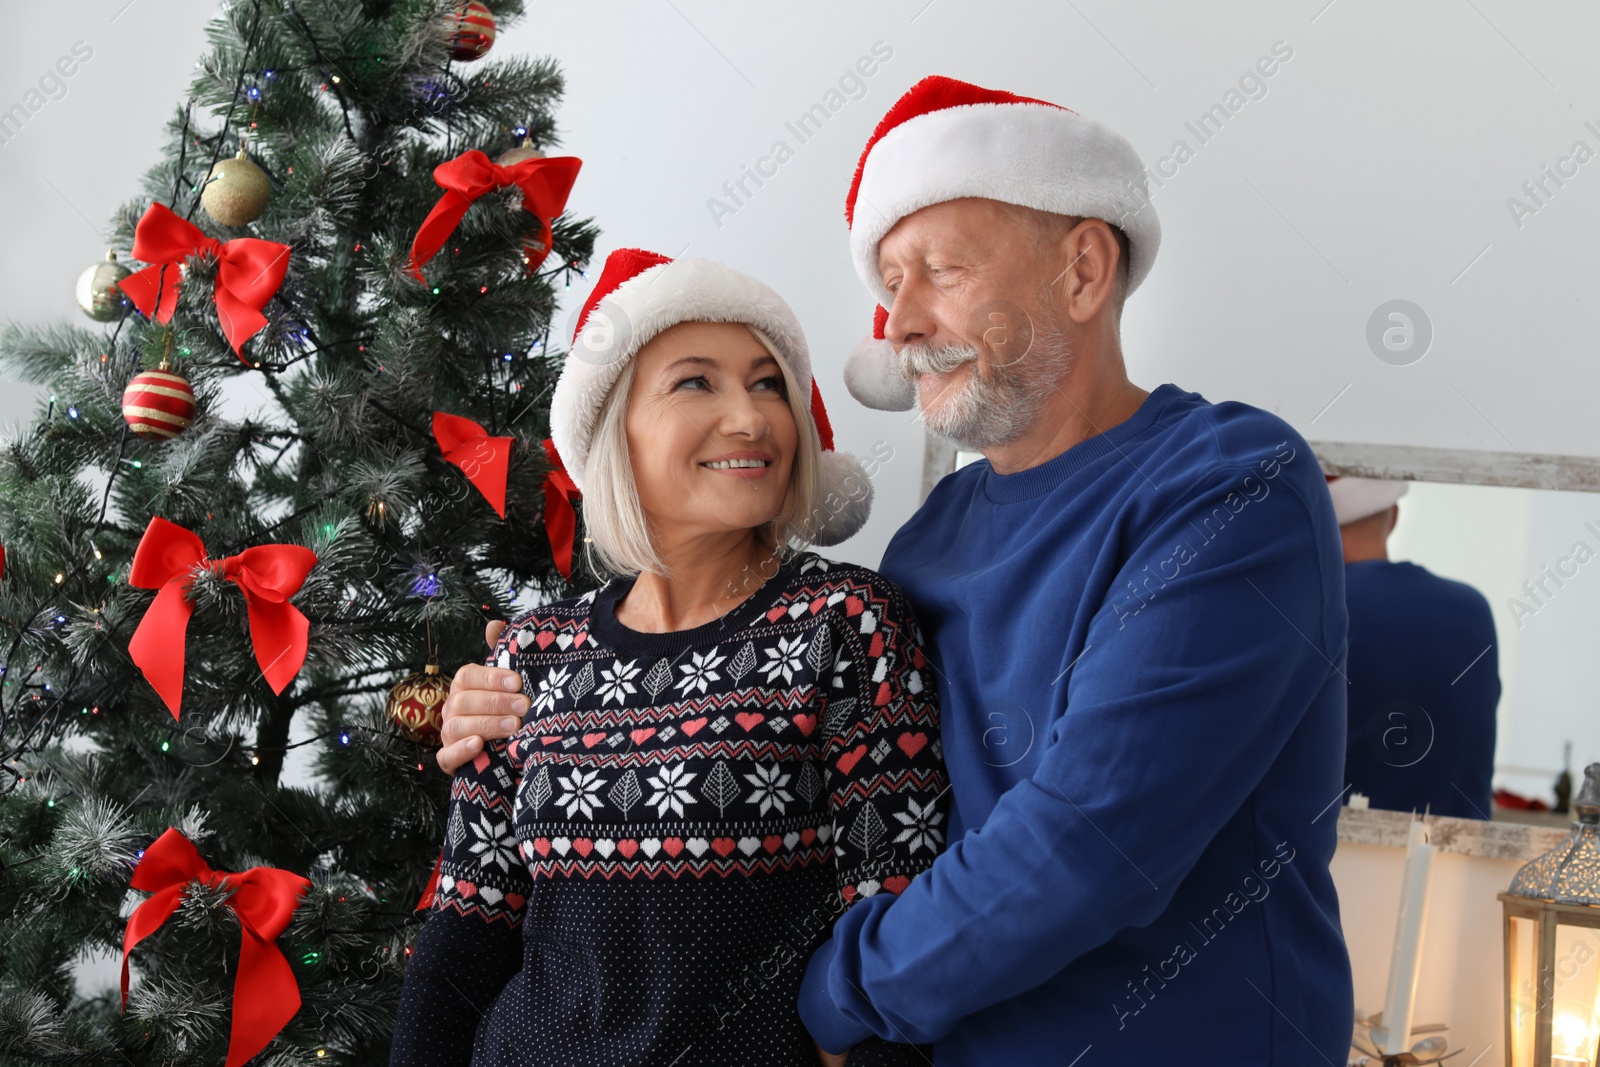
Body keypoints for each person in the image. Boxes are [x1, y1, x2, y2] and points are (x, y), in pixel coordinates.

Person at [442, 76, 1354, 1065]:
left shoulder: (1229, 487)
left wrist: (837, 994)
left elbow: (1090, 840)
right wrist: (508, 697)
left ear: (1084, 271)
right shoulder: (934, 538)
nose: (898, 324)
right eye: (888, 283)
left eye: (939, 270)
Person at [392, 248, 948, 1066]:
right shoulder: (532, 653)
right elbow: (465, 935)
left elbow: (897, 917)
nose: (753, 418)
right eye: (697, 382)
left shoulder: (848, 623)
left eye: (767, 383)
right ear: (612, 427)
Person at [1328, 475, 1500, 818]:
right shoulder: (1473, 609)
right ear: (1393, 517)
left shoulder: (1319, 609)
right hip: (1457, 862)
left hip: (1341, 859)